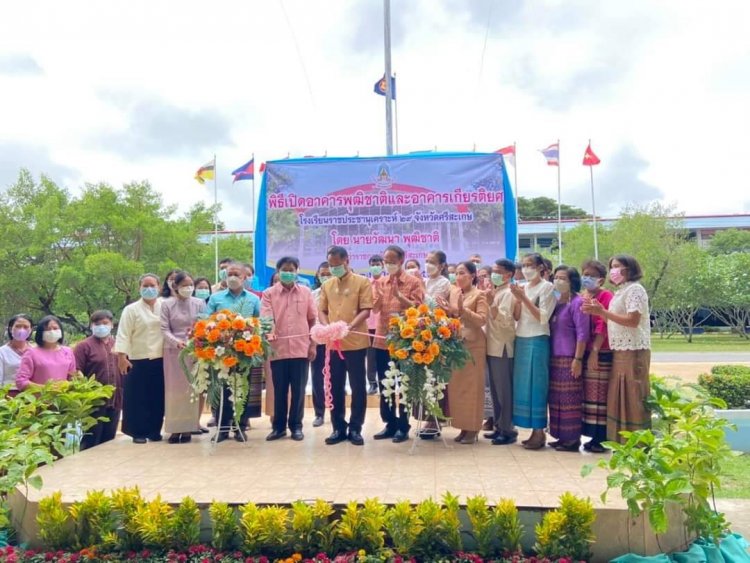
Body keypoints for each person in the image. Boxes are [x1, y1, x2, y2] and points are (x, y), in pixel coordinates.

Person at [582, 255, 651, 444]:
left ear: (629, 268)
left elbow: (633, 321)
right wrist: (598, 312)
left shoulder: (635, 289)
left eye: (618, 266)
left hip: (634, 349)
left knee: (633, 395)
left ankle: (639, 443)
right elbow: (613, 322)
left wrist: (602, 312)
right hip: (619, 350)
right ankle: (622, 441)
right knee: (619, 396)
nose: (614, 270)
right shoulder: (621, 291)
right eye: (612, 266)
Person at [318, 246, 373, 446]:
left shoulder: (362, 282)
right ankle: (338, 428)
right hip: (333, 344)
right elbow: (322, 310)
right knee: (335, 386)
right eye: (331, 266)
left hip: (356, 342)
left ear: (346, 261)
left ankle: (356, 428)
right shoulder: (327, 285)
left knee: (358, 386)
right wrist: (327, 327)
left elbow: (366, 310)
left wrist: (349, 327)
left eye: (337, 265)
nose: (333, 269)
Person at [372, 245, 425, 443]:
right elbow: (375, 310)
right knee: (385, 383)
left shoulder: (413, 282)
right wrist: (376, 296)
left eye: (392, 261)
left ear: (402, 260)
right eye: (386, 262)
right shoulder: (381, 282)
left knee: (403, 384)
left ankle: (403, 426)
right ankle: (389, 423)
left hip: (405, 340)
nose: (388, 265)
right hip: (382, 340)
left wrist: (399, 296)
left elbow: (419, 308)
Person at [262, 257, 317, 441]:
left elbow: (313, 320)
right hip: (277, 349)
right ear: (277, 272)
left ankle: (296, 426)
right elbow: (266, 318)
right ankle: (278, 427)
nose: (288, 272)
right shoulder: (269, 294)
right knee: (280, 390)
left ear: (297, 271)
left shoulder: (306, 293)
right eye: (284, 269)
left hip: (301, 348)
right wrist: (269, 333)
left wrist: (313, 344)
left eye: (291, 269)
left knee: (299, 390)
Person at [207, 261, 262, 441]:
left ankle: (240, 426)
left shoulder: (253, 299)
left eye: (236, 274)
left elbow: (259, 324)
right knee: (222, 389)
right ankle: (222, 428)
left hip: (244, 351)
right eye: (229, 274)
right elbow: (206, 322)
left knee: (243, 388)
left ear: (244, 277)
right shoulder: (216, 298)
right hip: (220, 352)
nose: (232, 277)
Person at [437, 261, 488, 444]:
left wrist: (462, 310)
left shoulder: (479, 295)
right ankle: (462, 426)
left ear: (472, 276)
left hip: (473, 346)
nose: (458, 277)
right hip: (456, 346)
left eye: (462, 273)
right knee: (457, 389)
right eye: (456, 273)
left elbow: (481, 320)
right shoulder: (455, 293)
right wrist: (448, 310)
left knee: (472, 389)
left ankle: (473, 429)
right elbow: (454, 316)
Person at [510, 253, 556, 450]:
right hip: (521, 337)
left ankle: (539, 432)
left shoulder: (548, 288)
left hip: (538, 338)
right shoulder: (524, 287)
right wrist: (518, 300)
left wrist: (524, 299)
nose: (526, 269)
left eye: (530, 265)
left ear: (540, 268)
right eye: (524, 265)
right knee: (523, 386)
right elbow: (518, 316)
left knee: (537, 385)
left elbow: (543, 317)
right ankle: (530, 430)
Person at [115, 273, 165, 444]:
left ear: (159, 287)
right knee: (137, 397)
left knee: (157, 397)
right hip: (137, 359)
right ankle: (138, 432)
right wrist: (122, 357)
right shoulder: (131, 309)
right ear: (140, 288)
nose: (149, 289)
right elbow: (123, 334)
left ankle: (154, 430)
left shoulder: (165, 306)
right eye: (145, 286)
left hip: (161, 358)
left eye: (152, 285)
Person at [160, 271, 206, 444]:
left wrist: (195, 341)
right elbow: (164, 329)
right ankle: (174, 429)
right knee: (174, 391)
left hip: (195, 351)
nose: (188, 289)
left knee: (192, 389)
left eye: (190, 285)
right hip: (173, 353)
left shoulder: (199, 303)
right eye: (184, 285)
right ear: (175, 287)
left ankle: (188, 427)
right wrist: (176, 342)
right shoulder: (167, 304)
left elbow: (203, 325)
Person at [548, 266, 590, 452]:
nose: (558, 281)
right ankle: (560, 436)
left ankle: (572, 439)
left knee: (569, 400)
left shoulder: (578, 302)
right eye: (556, 277)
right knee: (556, 398)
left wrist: (578, 359)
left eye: (562, 278)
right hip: (554, 357)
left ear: (572, 281)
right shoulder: (557, 302)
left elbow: (583, 333)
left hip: (570, 357)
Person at [579, 260, 614, 453]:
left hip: (601, 351)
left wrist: (594, 352)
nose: (587, 277)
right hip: (586, 350)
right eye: (585, 273)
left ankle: (601, 438)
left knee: (599, 396)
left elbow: (603, 325)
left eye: (591, 275)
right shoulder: (584, 295)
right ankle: (592, 435)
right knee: (590, 395)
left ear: (600, 279)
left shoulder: (606, 295)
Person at [74, 310, 121, 449]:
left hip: (115, 399)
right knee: (91, 439)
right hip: (93, 402)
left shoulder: (118, 344)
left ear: (112, 324)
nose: (101, 326)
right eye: (97, 323)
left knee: (109, 440)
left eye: (105, 323)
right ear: (91, 326)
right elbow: (76, 371)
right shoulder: (84, 346)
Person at [484, 259, 519, 446]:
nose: (494, 275)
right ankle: (498, 425)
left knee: (504, 391)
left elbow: (506, 321)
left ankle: (508, 429)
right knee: (496, 391)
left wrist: (492, 305)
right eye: (493, 271)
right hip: (491, 345)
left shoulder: (508, 293)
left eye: (498, 271)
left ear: (509, 275)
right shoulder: (495, 292)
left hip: (503, 347)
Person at [16, 315, 77, 390]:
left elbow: (72, 378)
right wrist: (45, 388)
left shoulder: (68, 352)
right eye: (48, 329)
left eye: (55, 328)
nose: (52, 331)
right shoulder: (31, 353)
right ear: (41, 332)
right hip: (39, 400)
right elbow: (21, 382)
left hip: (63, 399)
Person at [310, 262, 331, 426]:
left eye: (328, 273)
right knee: (317, 377)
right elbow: (310, 318)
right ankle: (319, 413)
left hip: (337, 342)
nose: (325, 277)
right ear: (317, 275)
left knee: (336, 378)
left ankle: (337, 412)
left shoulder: (340, 293)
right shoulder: (312, 294)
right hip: (318, 341)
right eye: (322, 274)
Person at [0, 314, 34, 395]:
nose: (21, 330)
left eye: (25, 327)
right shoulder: (2, 352)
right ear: (11, 328)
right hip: (8, 396)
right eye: (18, 326)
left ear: (31, 330)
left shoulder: (35, 351)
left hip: (32, 397)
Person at [366, 255, 385, 395]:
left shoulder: (388, 282)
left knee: (384, 356)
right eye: (373, 264)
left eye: (378, 263)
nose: (375, 266)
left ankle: (386, 382)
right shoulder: (365, 284)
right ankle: (372, 384)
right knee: (370, 357)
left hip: (384, 325)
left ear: (383, 266)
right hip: (368, 326)